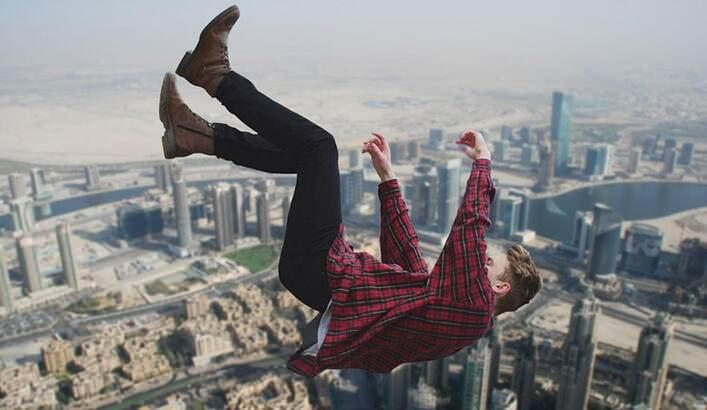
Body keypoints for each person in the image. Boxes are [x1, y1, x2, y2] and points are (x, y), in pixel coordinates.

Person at [158, 4, 542, 379]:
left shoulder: (473, 310)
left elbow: (468, 232)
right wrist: (389, 181)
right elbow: (408, 264)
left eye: (487, 264)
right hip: (322, 274)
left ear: (499, 287)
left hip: (323, 273)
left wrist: (483, 164)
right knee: (305, 156)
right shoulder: (452, 309)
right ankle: (194, 135)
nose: (477, 261)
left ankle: (214, 76)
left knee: (318, 147)